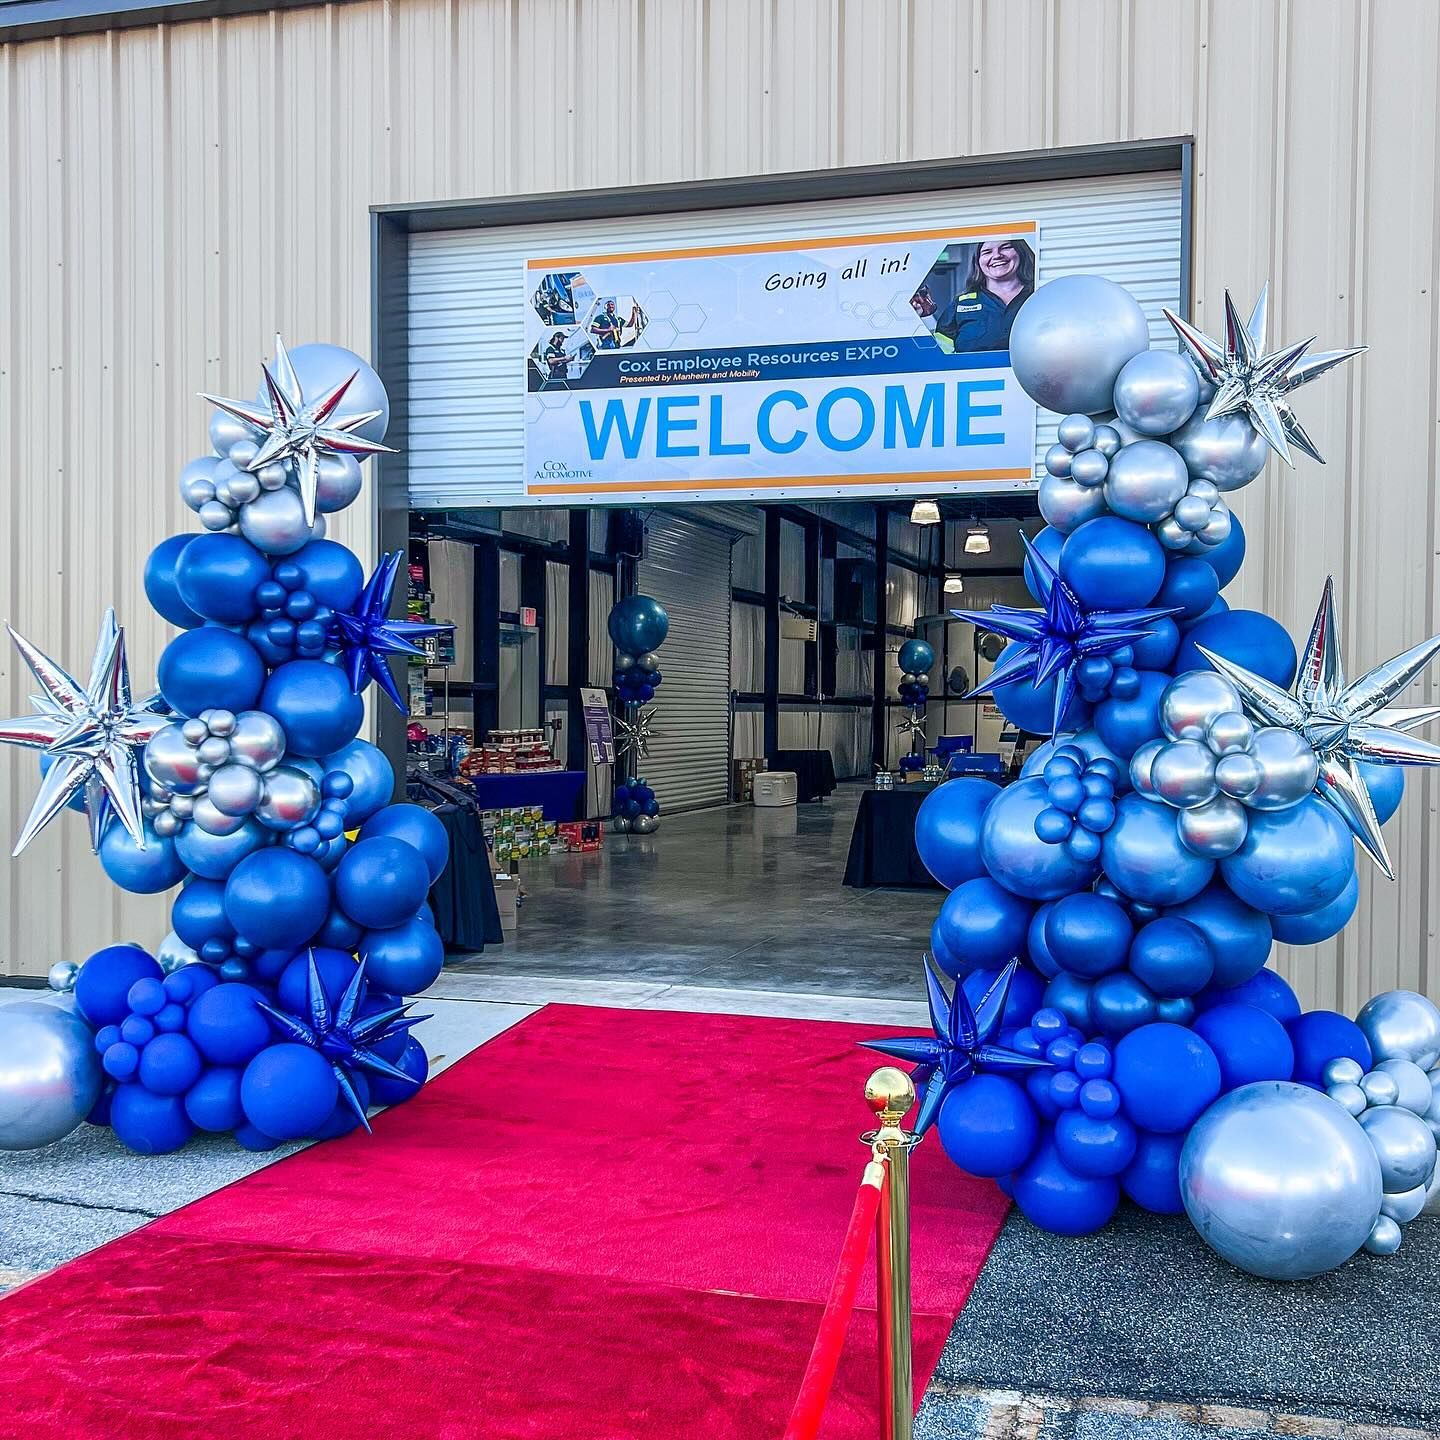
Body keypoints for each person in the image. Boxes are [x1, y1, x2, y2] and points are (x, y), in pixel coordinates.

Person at [937, 238, 1035, 352]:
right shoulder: (961, 304)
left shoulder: (1037, 296)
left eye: (1005, 247)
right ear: (978, 260)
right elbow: (940, 352)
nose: (997, 255)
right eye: (987, 252)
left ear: (1020, 252)